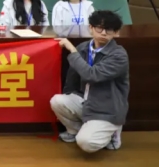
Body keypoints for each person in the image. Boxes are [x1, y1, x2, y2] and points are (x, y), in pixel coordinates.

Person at [51, 10, 127, 152]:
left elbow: (92, 75)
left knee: (86, 143)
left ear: (116, 33)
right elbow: (72, 77)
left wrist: (72, 50)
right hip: (86, 101)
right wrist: (70, 94)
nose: (103, 33)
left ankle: (112, 133)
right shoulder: (83, 47)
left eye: (109, 30)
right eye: (99, 28)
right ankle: (76, 131)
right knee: (57, 101)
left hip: (106, 109)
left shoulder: (119, 55)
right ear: (91, 28)